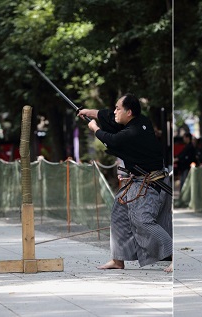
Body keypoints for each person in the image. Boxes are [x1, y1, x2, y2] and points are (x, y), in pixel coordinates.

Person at [78, 94, 173, 272]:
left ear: (129, 112)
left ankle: (174, 255)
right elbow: (110, 119)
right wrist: (90, 112)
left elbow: (112, 139)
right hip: (138, 180)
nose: (114, 111)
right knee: (119, 212)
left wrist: (94, 128)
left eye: (118, 108)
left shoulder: (133, 132)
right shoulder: (139, 121)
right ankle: (118, 259)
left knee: (143, 220)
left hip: (152, 183)